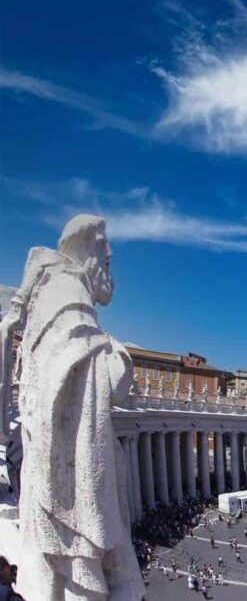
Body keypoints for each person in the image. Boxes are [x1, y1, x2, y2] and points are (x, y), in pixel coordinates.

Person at [2, 216, 145, 600]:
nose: (110, 256)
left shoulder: (61, 296)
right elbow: (106, 381)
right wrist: (115, 353)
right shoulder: (68, 299)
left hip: (60, 450)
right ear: (89, 256)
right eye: (105, 250)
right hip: (67, 462)